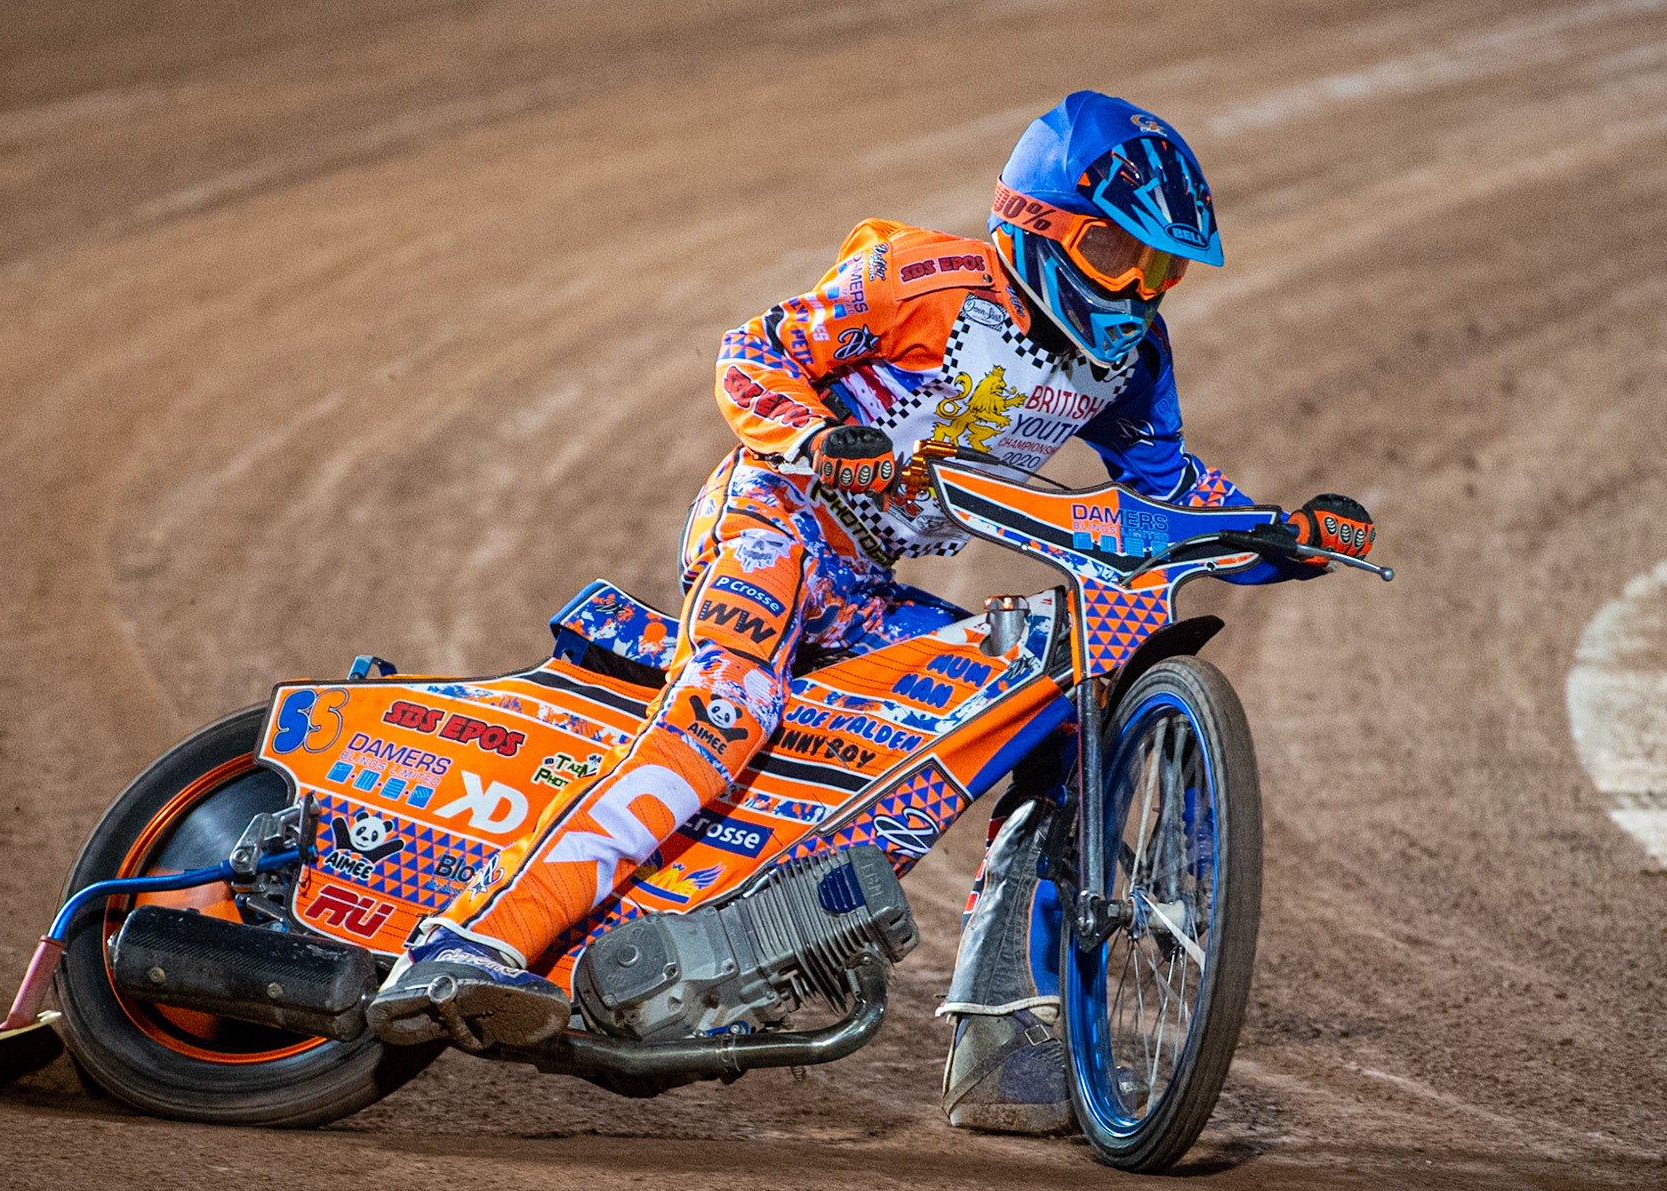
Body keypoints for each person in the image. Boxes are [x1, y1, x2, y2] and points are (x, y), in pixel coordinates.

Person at [364, 92, 1375, 1096]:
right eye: (1120, 257)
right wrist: (813, 438)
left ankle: (1003, 1044)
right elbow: (752, 354)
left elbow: (1167, 495)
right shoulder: (917, 280)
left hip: (863, 588)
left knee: (1039, 716)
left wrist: (1282, 535)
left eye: (1164, 270)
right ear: (1038, 226)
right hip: (772, 521)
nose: (1141, 292)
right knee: (726, 711)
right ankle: (477, 943)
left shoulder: (1133, 364)